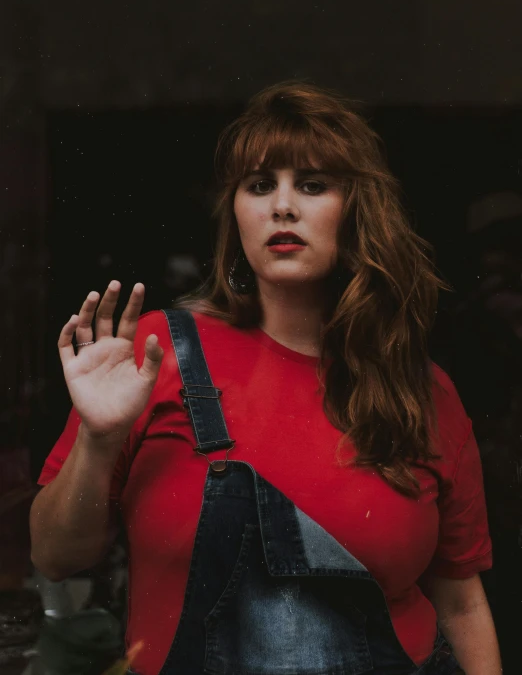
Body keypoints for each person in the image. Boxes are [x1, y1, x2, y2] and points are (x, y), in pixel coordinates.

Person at [30, 81, 500, 675]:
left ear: (356, 210)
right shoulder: (156, 357)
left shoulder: (424, 393)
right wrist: (98, 441)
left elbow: (461, 604)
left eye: (311, 185)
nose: (282, 206)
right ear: (236, 214)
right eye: (259, 186)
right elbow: (53, 557)